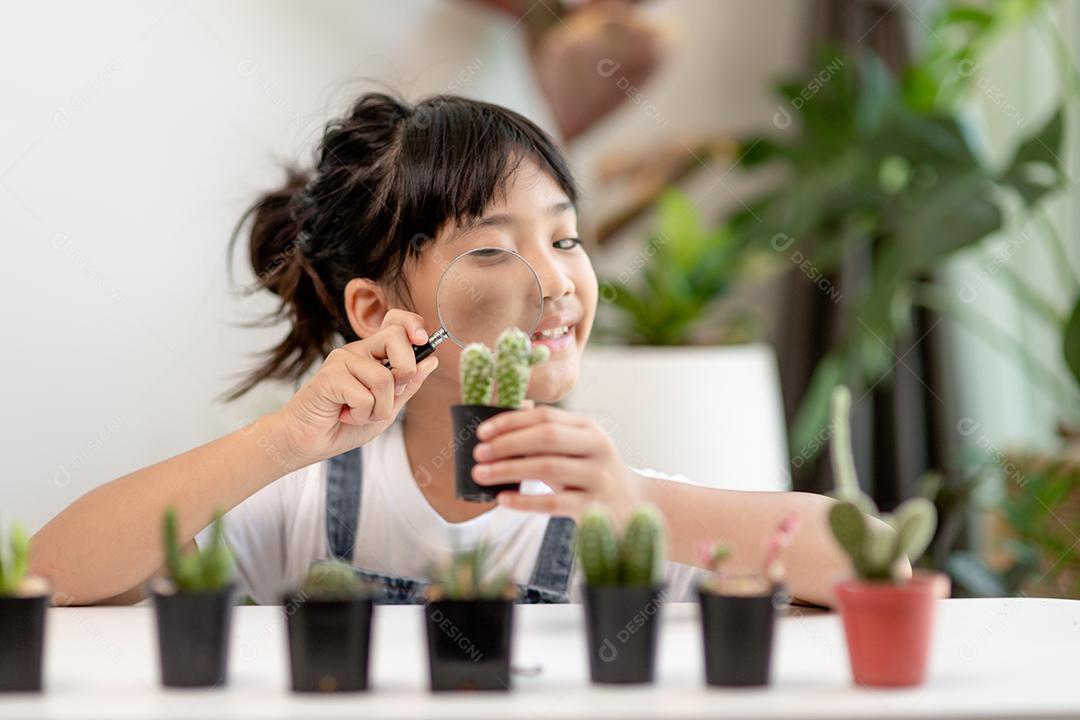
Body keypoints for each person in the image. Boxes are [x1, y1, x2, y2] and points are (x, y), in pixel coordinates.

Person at [31, 93, 887, 608]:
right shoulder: (308, 501)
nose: (556, 284)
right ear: (376, 310)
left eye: (568, 240)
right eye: (491, 248)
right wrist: (279, 443)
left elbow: (872, 562)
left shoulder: (614, 511)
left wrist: (636, 504)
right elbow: (51, 575)